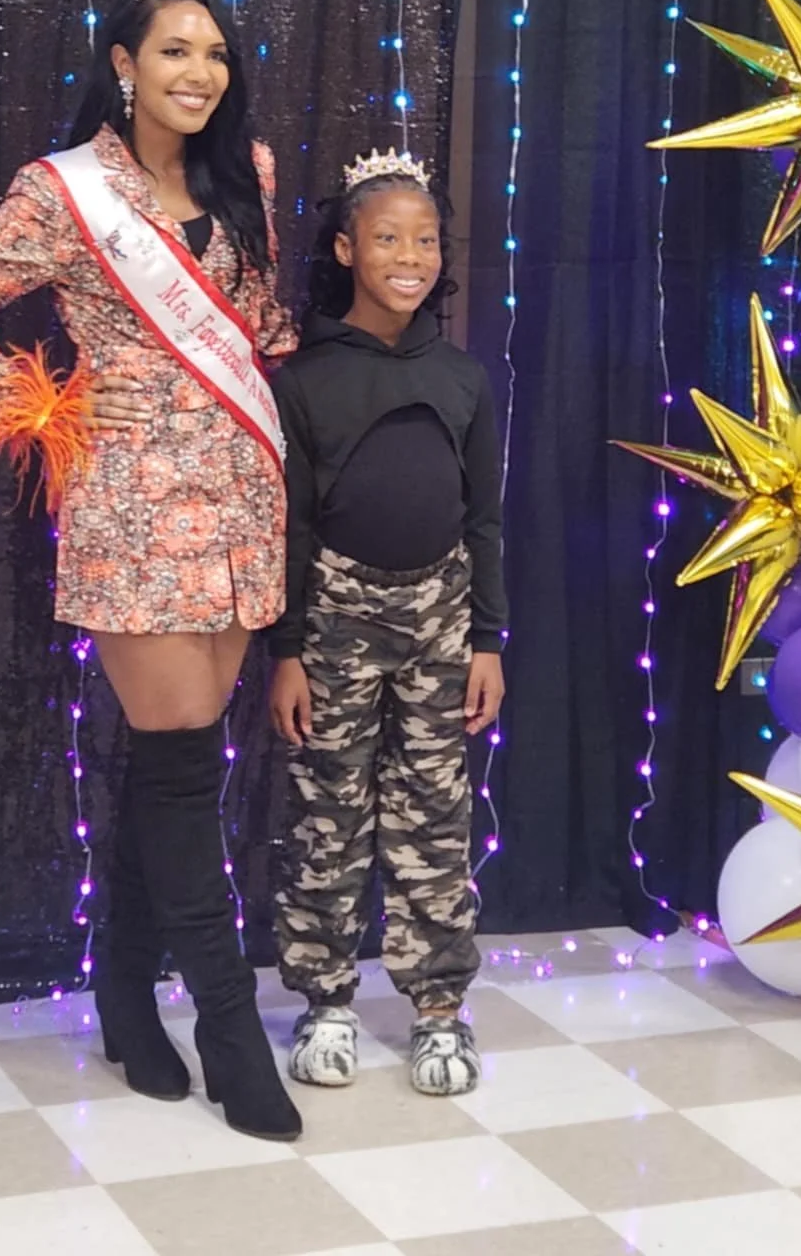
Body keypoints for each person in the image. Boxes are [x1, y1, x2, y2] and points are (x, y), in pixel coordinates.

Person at [0, 0, 301, 1143]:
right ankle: (230, 1031)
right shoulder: (61, 191)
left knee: (176, 764)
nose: (200, 71)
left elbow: (265, 327)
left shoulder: (253, 179)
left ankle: (127, 997)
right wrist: (46, 402)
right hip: (132, 504)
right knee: (183, 766)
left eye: (216, 52)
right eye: (175, 50)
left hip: (241, 493)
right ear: (126, 65)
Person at [268, 150, 506, 1097]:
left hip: (443, 619)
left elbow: (484, 517)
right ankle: (324, 1000)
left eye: (424, 239)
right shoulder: (304, 380)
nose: (409, 255)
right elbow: (286, 524)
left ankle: (439, 1011)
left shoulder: (464, 378)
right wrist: (286, 651)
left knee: (436, 819)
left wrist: (487, 638)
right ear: (344, 248)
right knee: (327, 814)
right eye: (385, 238)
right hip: (334, 618)